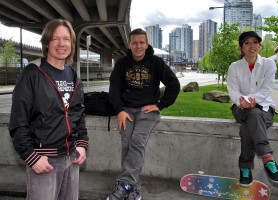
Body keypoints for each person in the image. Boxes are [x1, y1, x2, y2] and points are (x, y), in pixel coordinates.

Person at [8, 19, 89, 200]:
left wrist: (82, 144)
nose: (62, 44)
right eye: (55, 39)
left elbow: (78, 114)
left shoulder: (72, 74)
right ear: (46, 42)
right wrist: (31, 156)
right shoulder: (32, 73)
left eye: (66, 39)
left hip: (72, 157)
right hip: (45, 160)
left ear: (72, 44)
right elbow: (17, 121)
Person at [106, 28, 180, 200]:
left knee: (137, 142)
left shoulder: (156, 63)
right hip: (127, 111)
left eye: (142, 42)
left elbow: (174, 84)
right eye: (135, 42)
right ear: (129, 45)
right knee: (126, 144)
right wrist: (119, 110)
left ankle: (124, 184)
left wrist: (160, 105)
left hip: (147, 111)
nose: (138, 46)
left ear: (147, 44)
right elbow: (114, 89)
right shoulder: (122, 63)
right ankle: (132, 189)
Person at [227, 31, 278, 187]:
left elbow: (267, 88)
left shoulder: (268, 64)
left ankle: (245, 167)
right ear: (241, 48)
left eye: (255, 42)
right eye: (247, 43)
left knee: (247, 126)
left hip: (264, 108)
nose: (251, 46)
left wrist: (253, 100)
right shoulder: (234, 67)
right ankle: (268, 158)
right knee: (251, 114)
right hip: (240, 108)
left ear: (260, 45)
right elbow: (233, 91)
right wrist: (242, 100)